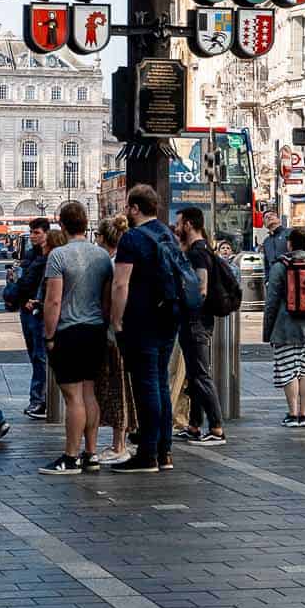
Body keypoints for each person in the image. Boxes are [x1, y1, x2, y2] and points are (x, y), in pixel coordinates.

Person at [108, 184, 180, 475]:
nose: (126, 210)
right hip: (169, 316)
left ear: (135, 208)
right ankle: (165, 451)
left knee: (147, 385)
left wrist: (116, 318)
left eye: (128, 205)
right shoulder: (167, 234)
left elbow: (121, 283)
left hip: (142, 319)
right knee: (160, 383)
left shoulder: (132, 238)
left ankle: (147, 453)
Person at [41, 200, 112, 475]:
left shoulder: (58, 256)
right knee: (89, 392)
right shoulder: (102, 256)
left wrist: (49, 335)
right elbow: (106, 300)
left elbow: (53, 301)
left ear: (62, 224)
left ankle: (70, 457)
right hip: (95, 330)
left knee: (73, 398)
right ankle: (91, 453)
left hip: (69, 331)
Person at [263, 224, 305, 427]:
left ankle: (292, 413)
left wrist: (268, 331)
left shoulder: (281, 265)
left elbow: (272, 300)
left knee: (289, 369)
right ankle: (304, 414)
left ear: (290, 244)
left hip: (286, 325)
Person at [174, 207, 226, 445]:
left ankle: (216, 429)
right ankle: (194, 425)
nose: (176, 228)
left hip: (196, 321)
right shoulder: (201, 249)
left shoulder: (197, 252)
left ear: (188, 225)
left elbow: (201, 288)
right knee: (195, 376)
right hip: (197, 321)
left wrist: (184, 301)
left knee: (201, 375)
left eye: (179, 223)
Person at [95, 217, 134, 463]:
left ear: (103, 238)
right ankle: (124, 439)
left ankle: (119, 444)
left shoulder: (112, 264)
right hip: (132, 333)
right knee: (127, 387)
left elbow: (111, 298)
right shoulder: (123, 260)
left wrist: (114, 322)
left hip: (115, 334)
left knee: (117, 387)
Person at [9, 219, 51, 417]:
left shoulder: (50, 256)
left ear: (46, 233)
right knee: (35, 356)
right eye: (31, 232)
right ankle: (38, 398)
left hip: (39, 312)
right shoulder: (31, 254)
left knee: (40, 356)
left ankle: (39, 399)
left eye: (36, 232)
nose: (33, 236)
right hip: (27, 309)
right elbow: (24, 282)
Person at [260, 210, 288, 279]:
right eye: (266, 217)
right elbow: (266, 264)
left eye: (272, 215)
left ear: (278, 219)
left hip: (291, 278)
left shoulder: (290, 233)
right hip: (274, 281)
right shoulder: (266, 241)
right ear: (264, 224)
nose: (269, 217)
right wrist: (267, 280)